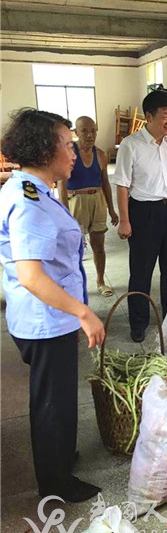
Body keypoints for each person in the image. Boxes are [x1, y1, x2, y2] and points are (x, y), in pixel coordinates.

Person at [0, 108, 104, 502]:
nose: (74, 152)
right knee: (50, 402)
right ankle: (55, 482)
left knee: (59, 396)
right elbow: (31, 275)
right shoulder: (29, 201)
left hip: (49, 316)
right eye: (67, 144)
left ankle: (61, 454)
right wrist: (83, 312)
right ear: (45, 151)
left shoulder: (32, 189)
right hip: (46, 319)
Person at [112, 91, 167, 343]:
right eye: (165, 116)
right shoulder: (130, 145)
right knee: (141, 272)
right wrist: (124, 220)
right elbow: (122, 185)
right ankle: (139, 323)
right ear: (149, 116)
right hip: (143, 213)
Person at [58, 116, 118, 297]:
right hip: (76, 201)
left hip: (97, 200)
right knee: (74, 247)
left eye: (93, 130)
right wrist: (64, 214)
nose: (90, 135)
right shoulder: (70, 153)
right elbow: (62, 185)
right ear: (76, 133)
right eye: (85, 131)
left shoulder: (100, 154)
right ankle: (74, 286)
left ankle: (100, 281)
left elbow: (106, 183)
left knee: (98, 245)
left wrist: (111, 208)